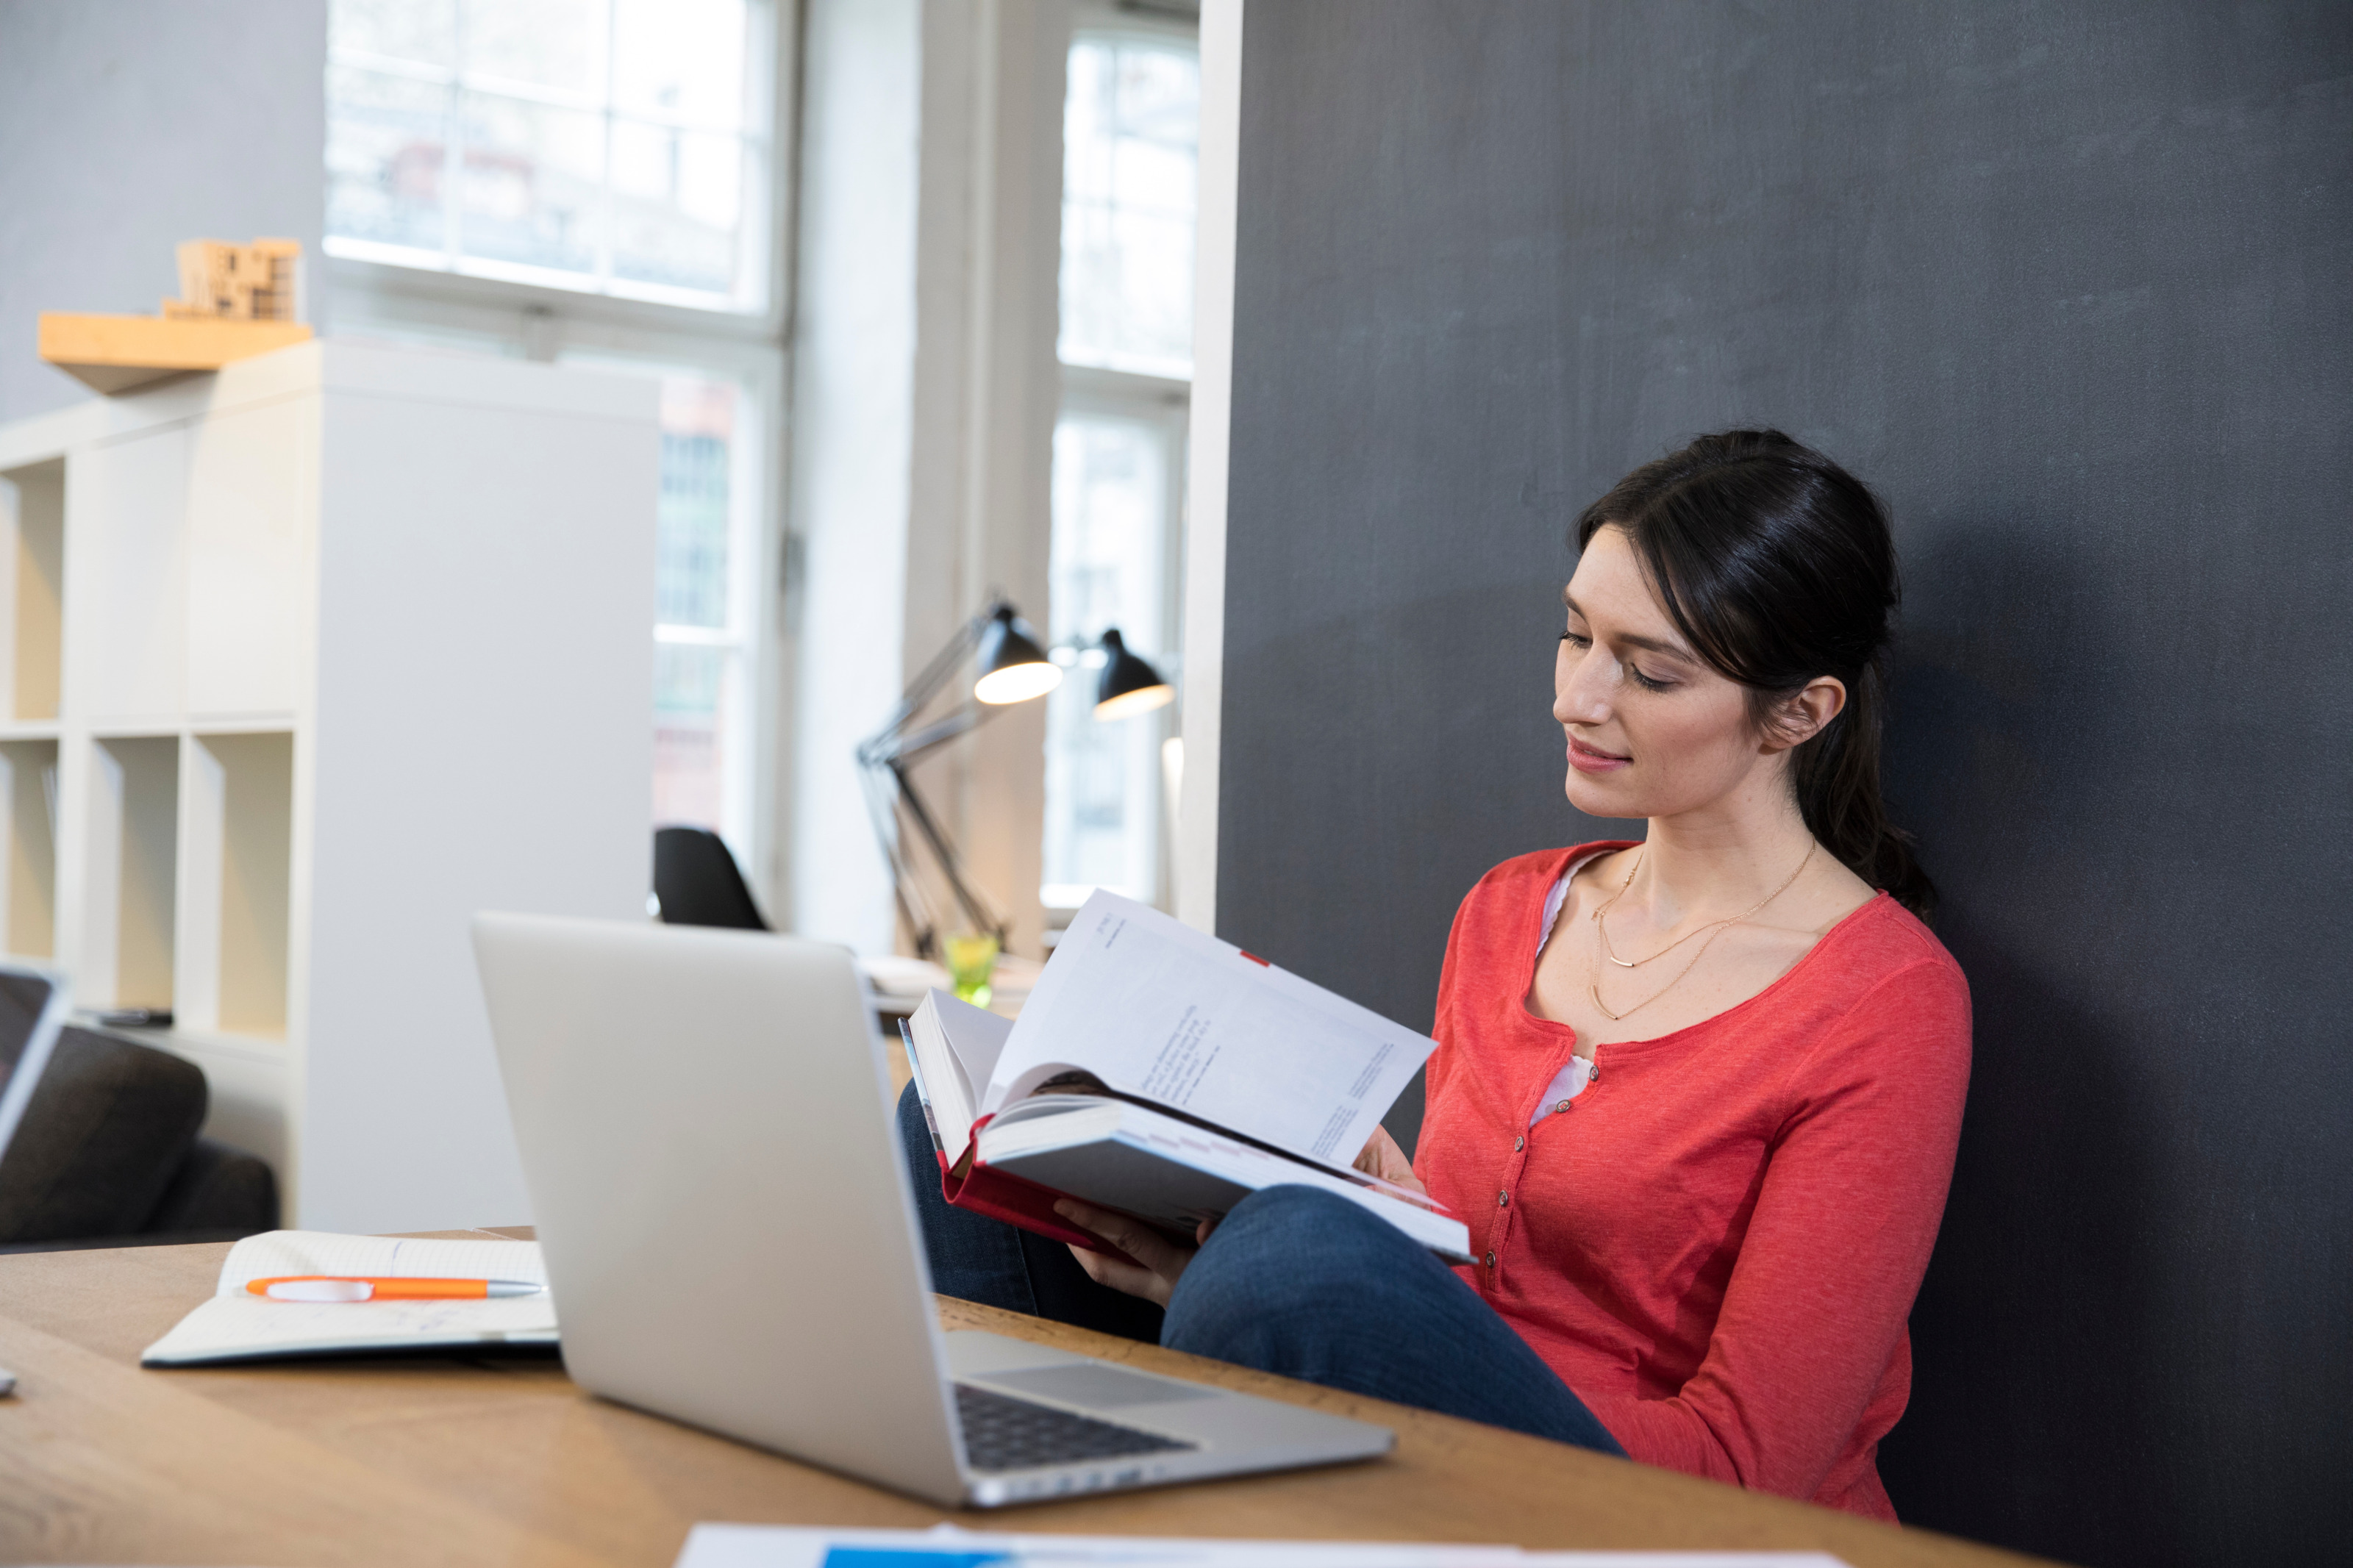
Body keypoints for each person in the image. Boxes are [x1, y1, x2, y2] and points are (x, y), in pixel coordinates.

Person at [899, 429, 1971, 1521]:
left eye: (1648, 670)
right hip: (1424, 1446)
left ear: (1801, 711)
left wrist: (1343, 1292)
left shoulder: (1887, 1001)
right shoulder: (1511, 910)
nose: (1577, 697)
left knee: (1288, 1254)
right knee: (962, 1121)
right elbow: (1461, 1277)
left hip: (1660, 1514)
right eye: (1574, 636)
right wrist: (1355, 1242)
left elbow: (1750, 1466)